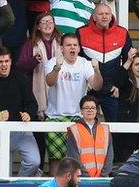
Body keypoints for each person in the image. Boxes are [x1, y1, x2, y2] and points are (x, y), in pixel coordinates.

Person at [44, 33, 103, 175]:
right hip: (55, 117)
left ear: (79, 48)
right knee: (55, 160)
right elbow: (49, 82)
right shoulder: (53, 62)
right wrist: (57, 68)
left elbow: (97, 86)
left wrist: (96, 70)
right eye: (68, 45)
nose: (72, 48)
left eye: (75, 45)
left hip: (78, 118)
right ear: (61, 48)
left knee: (76, 160)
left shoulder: (84, 63)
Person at [0, 46, 40, 177]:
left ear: (11, 61)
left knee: (34, 161)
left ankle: (18, 182)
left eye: (6, 61)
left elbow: (32, 103)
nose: (4, 65)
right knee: (3, 173)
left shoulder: (21, 78)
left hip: (21, 129)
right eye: (0, 62)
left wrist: (29, 114)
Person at [17, 13, 62, 171]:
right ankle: (40, 171)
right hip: (38, 99)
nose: (48, 24)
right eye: (44, 22)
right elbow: (20, 66)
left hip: (59, 98)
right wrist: (33, 60)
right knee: (40, 141)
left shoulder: (62, 43)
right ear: (37, 26)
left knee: (57, 145)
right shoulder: (31, 44)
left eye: (50, 21)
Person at [76, 2, 133, 122]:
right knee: (87, 128)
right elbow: (77, 61)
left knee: (115, 130)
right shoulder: (81, 32)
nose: (104, 16)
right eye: (100, 13)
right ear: (94, 17)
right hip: (89, 90)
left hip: (112, 91)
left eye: (107, 13)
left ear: (111, 16)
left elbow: (129, 62)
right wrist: (85, 82)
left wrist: (119, 86)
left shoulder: (122, 32)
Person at [66, 95, 113, 177]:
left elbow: (110, 154)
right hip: (82, 179)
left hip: (102, 179)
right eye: (86, 108)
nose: (90, 110)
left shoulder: (105, 129)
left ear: (96, 110)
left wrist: (103, 175)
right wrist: (86, 177)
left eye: (93, 108)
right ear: (81, 111)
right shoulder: (73, 130)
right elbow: (73, 156)